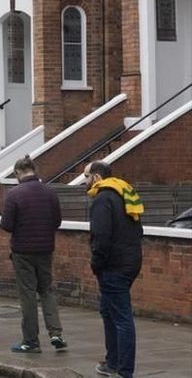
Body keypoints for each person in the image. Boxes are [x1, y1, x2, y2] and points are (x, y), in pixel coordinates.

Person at [0, 155, 66, 354]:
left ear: (18, 172)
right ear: (34, 170)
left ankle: (31, 341)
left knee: (27, 294)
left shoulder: (14, 194)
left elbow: (7, 225)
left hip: (23, 251)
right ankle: (56, 333)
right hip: (45, 249)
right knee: (46, 290)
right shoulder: (50, 192)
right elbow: (57, 221)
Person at [85, 161, 143, 378]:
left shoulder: (103, 199)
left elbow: (101, 237)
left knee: (121, 318)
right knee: (108, 311)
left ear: (96, 177)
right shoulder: (124, 192)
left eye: (87, 176)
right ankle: (112, 362)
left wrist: (96, 263)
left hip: (113, 266)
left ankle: (124, 370)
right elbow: (138, 230)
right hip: (130, 262)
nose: (85, 181)